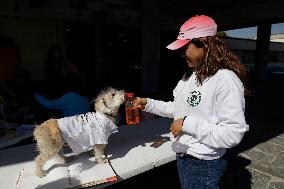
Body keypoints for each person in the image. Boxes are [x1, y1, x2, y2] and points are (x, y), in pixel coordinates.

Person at [134, 15, 249, 189]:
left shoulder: (225, 80)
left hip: (204, 165)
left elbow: (232, 134)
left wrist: (187, 124)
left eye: (185, 47)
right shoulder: (190, 76)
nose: (181, 53)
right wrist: (148, 103)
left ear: (205, 44)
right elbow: (177, 108)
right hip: (183, 156)